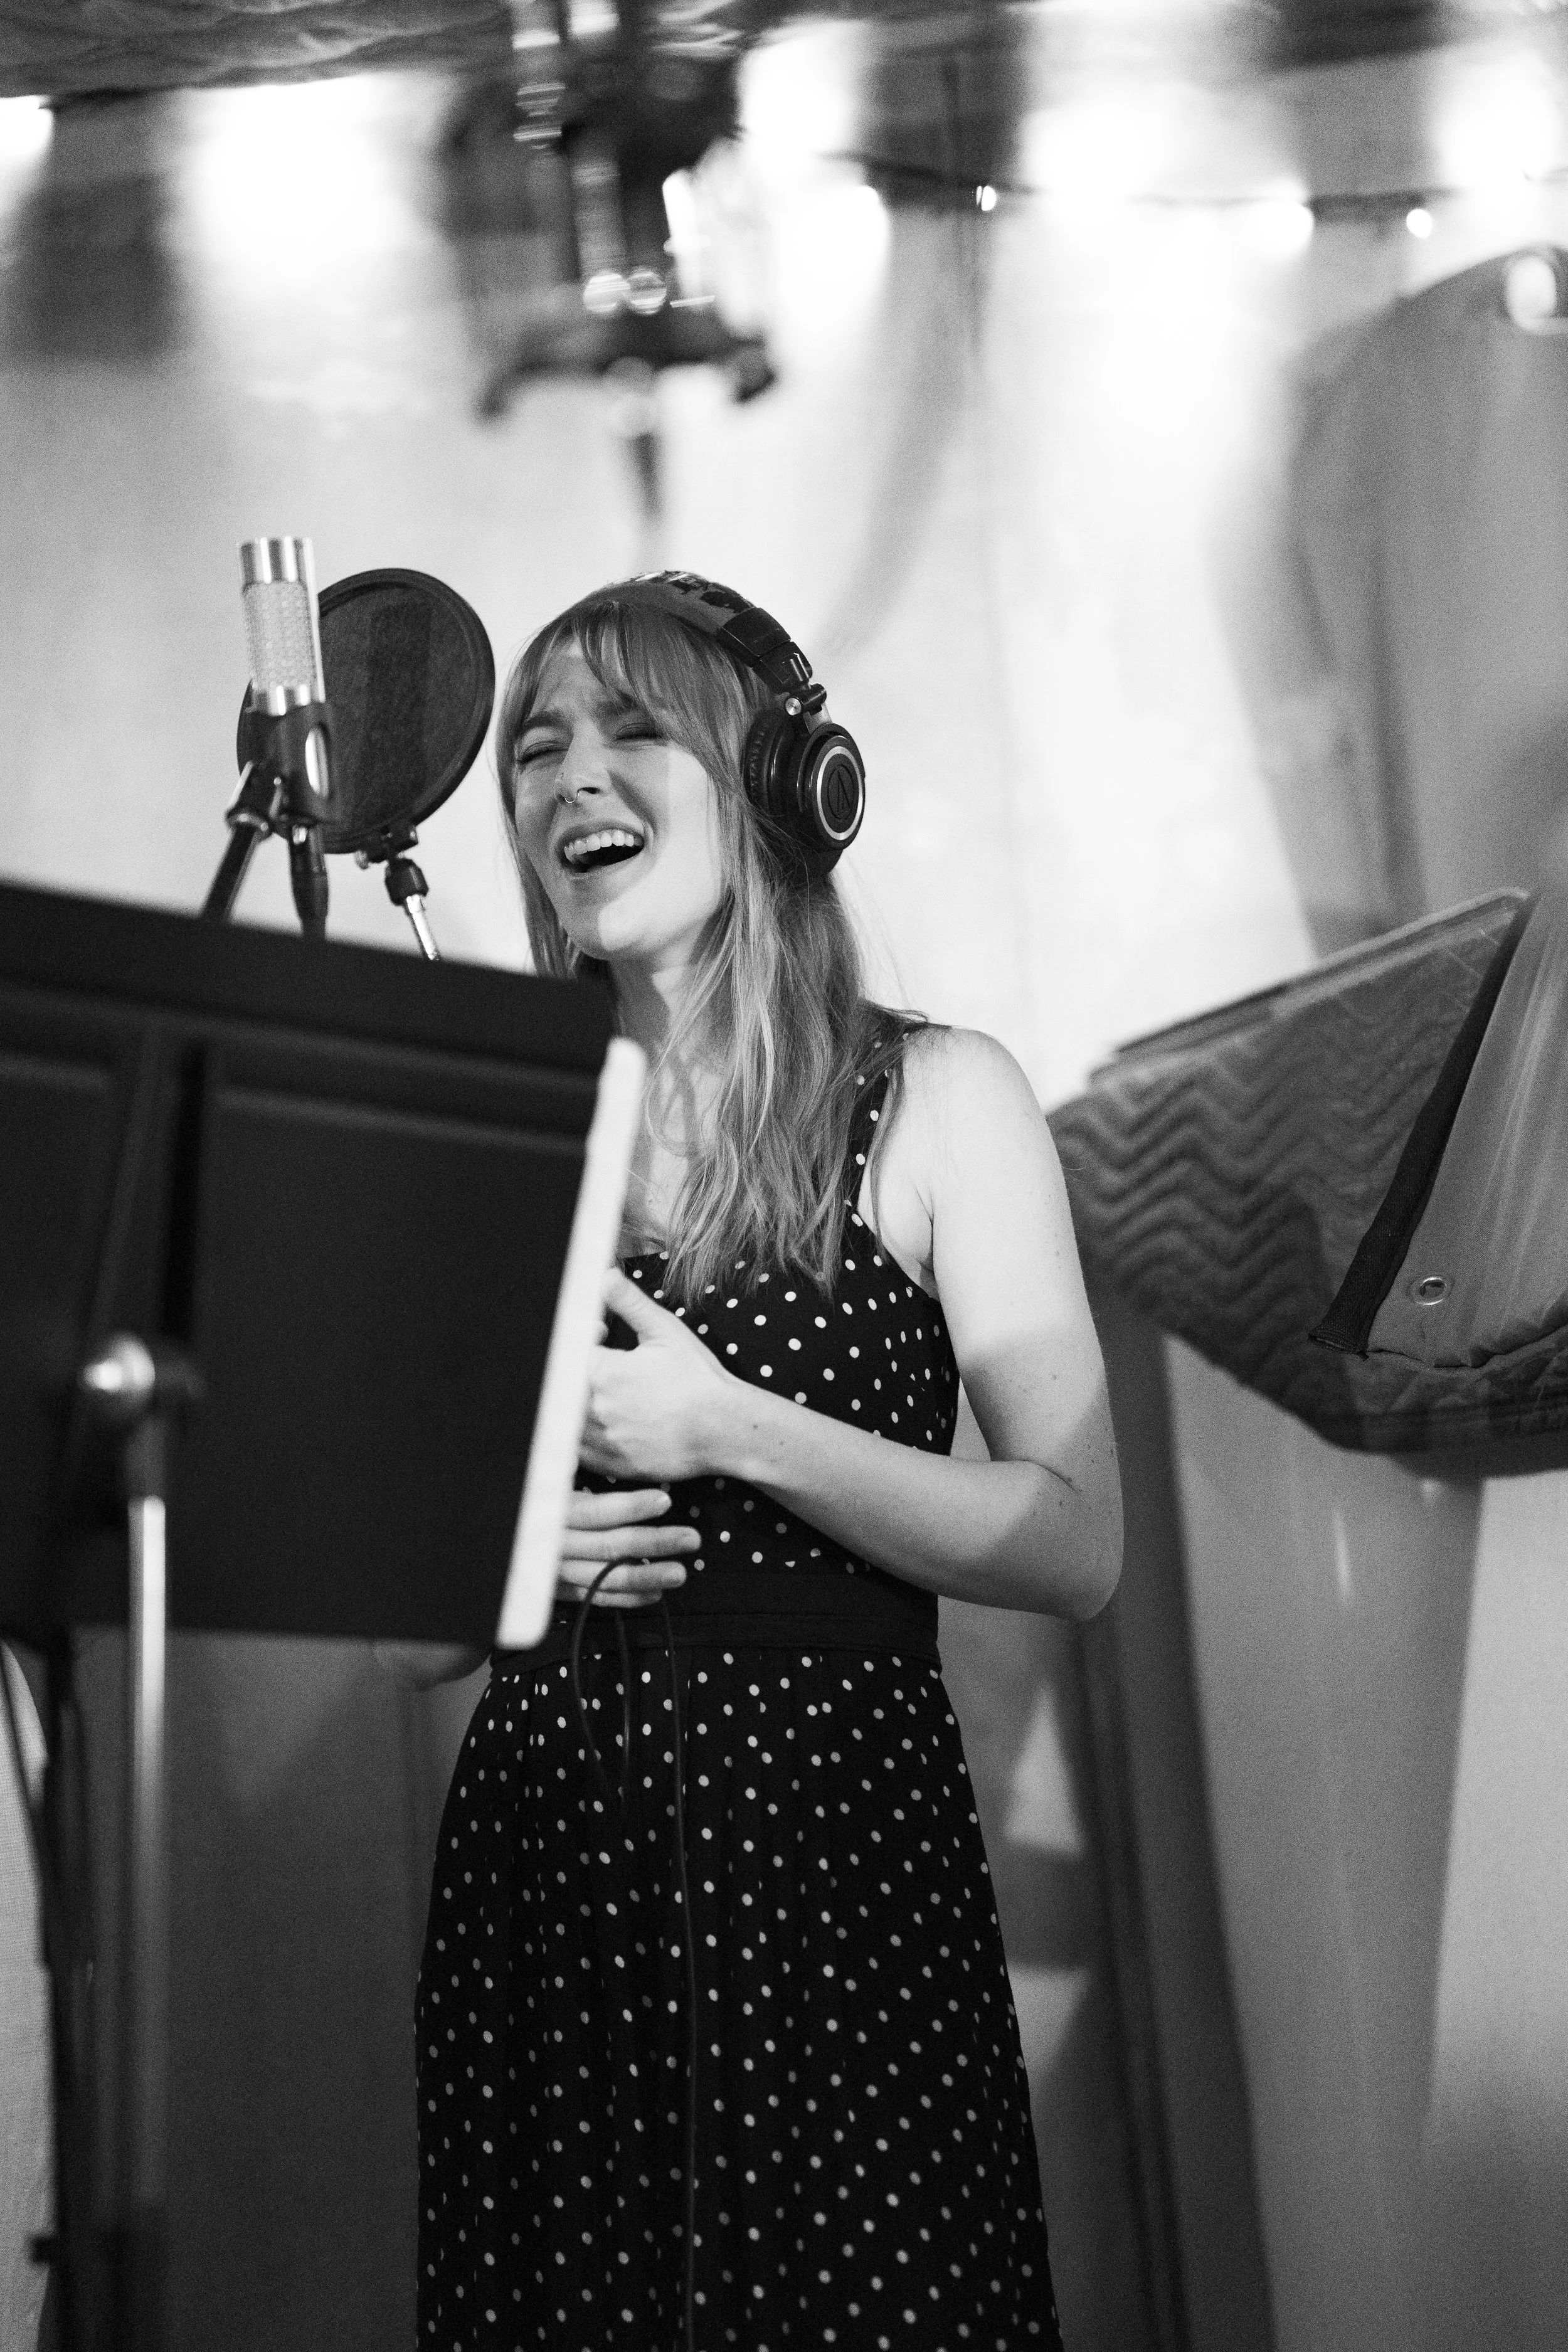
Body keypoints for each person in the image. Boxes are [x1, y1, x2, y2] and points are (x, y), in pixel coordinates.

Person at [415, 573, 1123, 2352]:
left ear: (780, 784)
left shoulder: (940, 1096)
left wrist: (728, 1423)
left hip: (835, 1882)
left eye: (633, 727)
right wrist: (496, 1566)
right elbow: (412, 1619)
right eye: (537, 744)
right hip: (552, 1884)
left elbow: (1073, 1535)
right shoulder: (497, 1129)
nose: (572, 772)